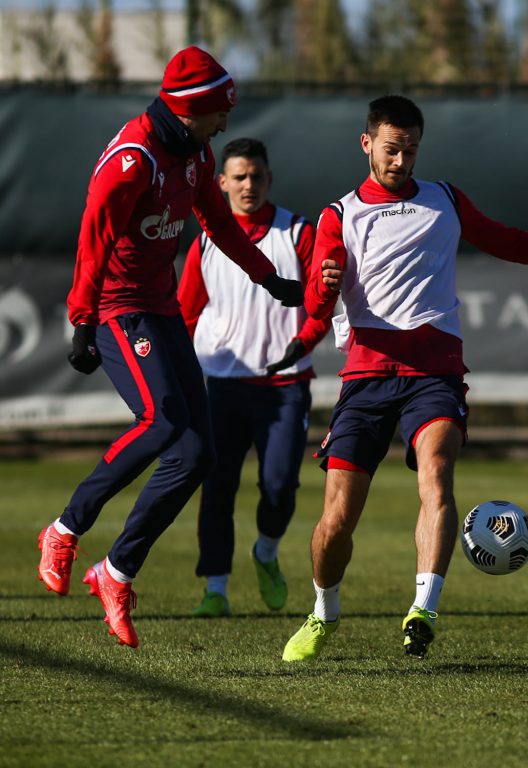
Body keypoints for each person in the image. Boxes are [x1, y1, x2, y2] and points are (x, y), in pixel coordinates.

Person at [281, 94, 528, 662]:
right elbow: (317, 301)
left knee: (437, 473)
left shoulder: (444, 199)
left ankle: (423, 609)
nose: (402, 162)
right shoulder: (339, 214)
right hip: (367, 375)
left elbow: (514, 242)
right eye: (392, 149)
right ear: (367, 143)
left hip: (435, 371)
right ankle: (323, 612)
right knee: (337, 519)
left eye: (412, 151)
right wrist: (323, 285)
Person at [36, 47, 304, 648]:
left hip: (158, 311)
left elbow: (219, 222)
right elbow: (93, 237)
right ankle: (63, 528)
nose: (226, 124)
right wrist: (81, 320)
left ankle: (116, 571)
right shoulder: (133, 161)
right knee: (161, 422)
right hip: (116, 309)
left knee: (197, 454)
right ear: (191, 111)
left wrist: (267, 276)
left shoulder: (195, 153)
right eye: (219, 112)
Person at [178, 138, 331, 618]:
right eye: (239, 177)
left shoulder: (298, 233)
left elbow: (320, 305)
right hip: (223, 386)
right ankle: (216, 588)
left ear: (270, 179)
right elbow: (184, 314)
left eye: (256, 176)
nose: (248, 185)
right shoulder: (205, 240)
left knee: (280, 486)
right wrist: (180, 377)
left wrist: (301, 344)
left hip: (286, 388)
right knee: (217, 486)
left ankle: (265, 552)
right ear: (220, 183)